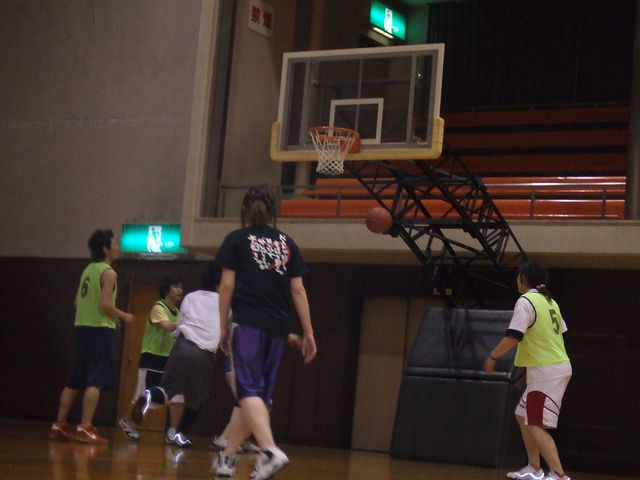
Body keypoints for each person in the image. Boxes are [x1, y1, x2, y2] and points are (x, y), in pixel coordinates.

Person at [212, 185, 317, 480]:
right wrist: (308, 332)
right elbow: (298, 289)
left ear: (244, 211)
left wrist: (222, 325)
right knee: (257, 398)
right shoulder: (288, 243)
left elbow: (227, 285)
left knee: (248, 392)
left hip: (249, 323)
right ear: (274, 213)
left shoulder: (236, 239)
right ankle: (227, 458)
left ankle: (270, 451)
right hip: (278, 326)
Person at [484, 260, 572, 480]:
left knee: (534, 424)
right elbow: (561, 331)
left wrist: (493, 356)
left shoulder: (526, 301)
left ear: (523, 279)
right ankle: (535, 469)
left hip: (546, 371)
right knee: (522, 415)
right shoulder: (550, 302)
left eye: (518, 275)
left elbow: (514, 335)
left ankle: (560, 475)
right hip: (551, 367)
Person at [49, 229, 134, 443]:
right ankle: (85, 428)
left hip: (82, 329)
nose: (118, 248)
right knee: (94, 380)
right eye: (114, 244)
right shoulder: (109, 272)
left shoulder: (87, 270)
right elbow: (105, 304)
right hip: (99, 332)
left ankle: (59, 425)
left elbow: (77, 303)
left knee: (74, 380)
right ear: (105, 249)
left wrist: (106, 316)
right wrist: (123, 315)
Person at [135, 262, 223, 448]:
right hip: (205, 356)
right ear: (219, 283)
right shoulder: (224, 302)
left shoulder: (190, 297)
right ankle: (179, 434)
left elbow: (181, 322)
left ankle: (150, 395)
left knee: (167, 390)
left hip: (182, 347)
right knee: (196, 401)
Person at [118, 275, 184, 442]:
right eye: (176, 286)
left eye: (181, 287)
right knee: (142, 395)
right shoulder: (158, 307)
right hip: (152, 358)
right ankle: (127, 421)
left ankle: (173, 432)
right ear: (167, 289)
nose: (180, 290)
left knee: (177, 396)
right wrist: (187, 325)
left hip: (169, 360)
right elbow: (166, 326)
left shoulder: (178, 312)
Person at [212, 333, 302, 454]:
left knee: (252, 403)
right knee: (252, 403)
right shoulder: (243, 327)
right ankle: (226, 439)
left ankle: (238, 440)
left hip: (246, 367)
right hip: (237, 366)